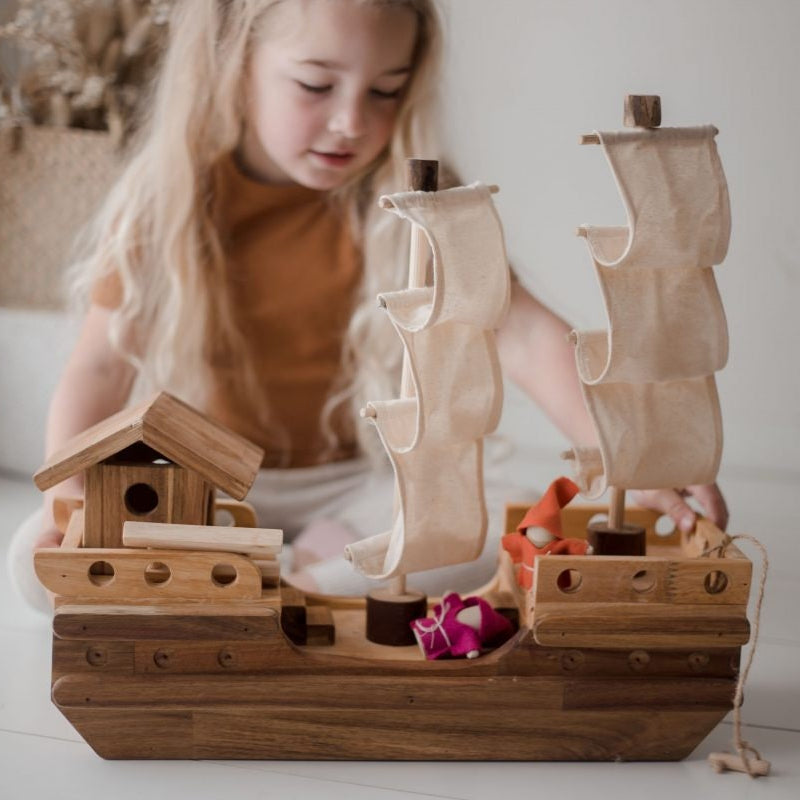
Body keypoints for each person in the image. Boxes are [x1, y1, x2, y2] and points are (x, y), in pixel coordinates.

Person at [9, 0, 727, 610]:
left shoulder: (419, 200)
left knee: (483, 529)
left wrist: (633, 443)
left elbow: (525, 337)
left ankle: (280, 587)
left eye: (385, 91)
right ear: (236, 64)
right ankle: (296, 584)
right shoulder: (165, 198)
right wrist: (67, 502)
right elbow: (100, 370)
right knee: (32, 567)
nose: (352, 123)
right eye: (316, 84)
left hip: (350, 489)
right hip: (204, 485)